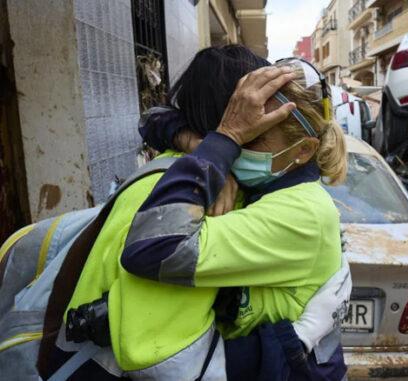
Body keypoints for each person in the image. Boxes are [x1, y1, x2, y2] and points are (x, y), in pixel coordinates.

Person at [39, 46, 349, 381]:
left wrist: (217, 148)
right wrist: (215, 148)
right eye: (245, 120)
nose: (244, 146)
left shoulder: (243, 193)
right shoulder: (194, 188)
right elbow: (154, 120)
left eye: (254, 135)